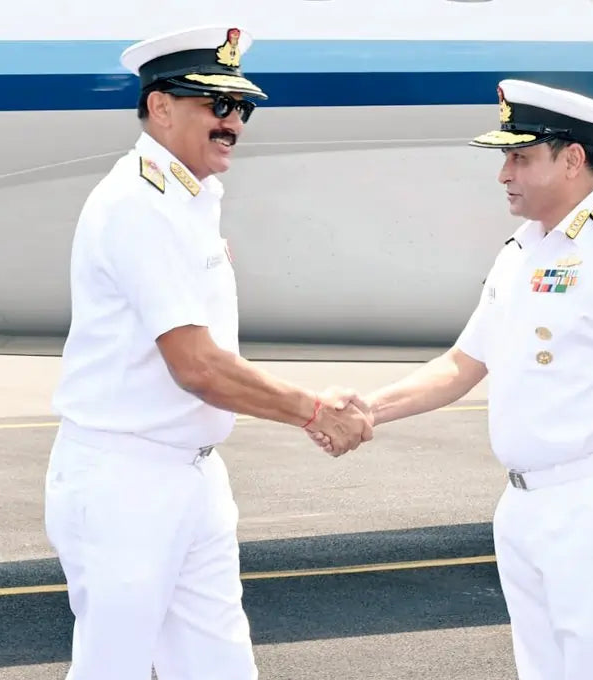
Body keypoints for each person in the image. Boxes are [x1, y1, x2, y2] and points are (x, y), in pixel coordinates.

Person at [313, 79, 593, 679]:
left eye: (520, 157)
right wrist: (367, 409)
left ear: (572, 158)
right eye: (505, 157)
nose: (503, 174)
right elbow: (463, 364)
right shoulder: (523, 249)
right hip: (523, 507)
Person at [43, 25, 371, 680]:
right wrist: (312, 410)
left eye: (241, 108)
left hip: (191, 475)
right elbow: (196, 365)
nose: (233, 123)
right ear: (159, 106)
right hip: (127, 479)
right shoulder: (140, 204)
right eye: (215, 105)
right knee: (115, 669)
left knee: (218, 666)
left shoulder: (190, 199)